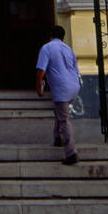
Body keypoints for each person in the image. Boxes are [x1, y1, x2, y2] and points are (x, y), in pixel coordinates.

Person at [35, 24, 80, 165]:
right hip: (74, 86)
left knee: (64, 120)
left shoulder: (47, 48)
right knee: (60, 113)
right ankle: (57, 138)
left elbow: (41, 71)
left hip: (61, 88)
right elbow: (75, 69)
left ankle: (71, 153)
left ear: (51, 35)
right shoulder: (69, 49)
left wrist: (38, 87)